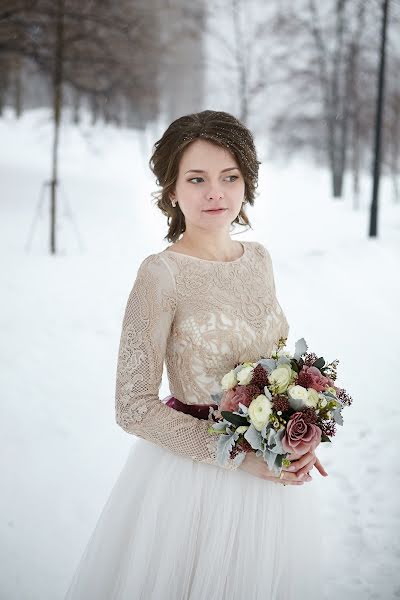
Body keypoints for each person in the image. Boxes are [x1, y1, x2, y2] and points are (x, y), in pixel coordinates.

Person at [64, 110, 327, 600]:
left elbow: (273, 368)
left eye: (230, 177)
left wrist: (296, 434)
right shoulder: (160, 275)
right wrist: (236, 461)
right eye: (197, 178)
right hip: (194, 484)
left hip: (268, 482)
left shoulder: (261, 260)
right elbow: (133, 405)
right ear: (171, 190)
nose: (216, 193)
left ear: (247, 183)